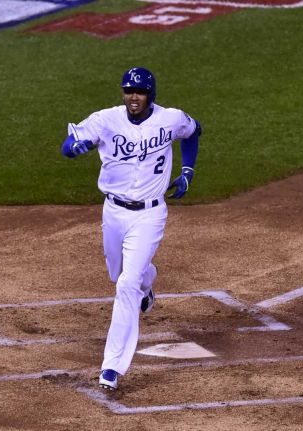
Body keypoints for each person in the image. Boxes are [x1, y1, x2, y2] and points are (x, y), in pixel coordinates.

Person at [62, 67, 201, 390]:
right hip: (113, 212)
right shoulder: (106, 119)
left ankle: (112, 367)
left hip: (150, 215)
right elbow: (67, 145)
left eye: (138, 92)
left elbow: (194, 131)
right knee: (119, 274)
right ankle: (147, 284)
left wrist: (188, 171)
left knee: (125, 286)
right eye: (128, 91)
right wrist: (75, 148)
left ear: (150, 94)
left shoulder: (170, 119)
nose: (132, 97)